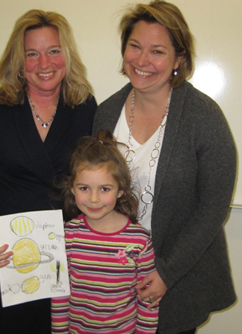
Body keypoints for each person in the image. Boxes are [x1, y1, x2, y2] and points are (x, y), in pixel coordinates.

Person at [93, 1, 236, 333]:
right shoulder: (105, 114)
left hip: (177, 278)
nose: (142, 61)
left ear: (178, 59)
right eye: (134, 46)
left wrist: (167, 273)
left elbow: (213, 208)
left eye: (157, 51)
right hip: (114, 278)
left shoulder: (204, 117)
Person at [0, 9, 97, 334]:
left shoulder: (85, 107)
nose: (44, 64)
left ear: (67, 55)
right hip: (1, 256)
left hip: (61, 256)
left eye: (53, 51)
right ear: (19, 61)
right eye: (32, 54)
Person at [51, 129, 159, 334]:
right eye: (84, 188)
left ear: (121, 190)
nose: (93, 199)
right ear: (72, 189)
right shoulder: (67, 235)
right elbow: (59, 292)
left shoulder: (140, 240)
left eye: (105, 189)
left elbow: (147, 297)